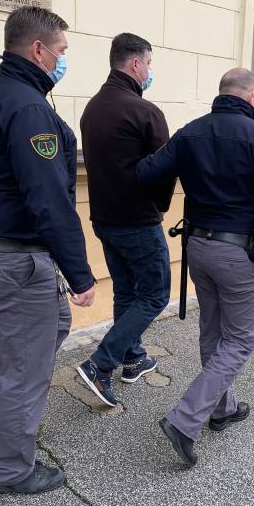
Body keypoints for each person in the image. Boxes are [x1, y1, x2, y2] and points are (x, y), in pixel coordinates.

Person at [136, 68, 254, 467]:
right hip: (237, 251)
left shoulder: (191, 132)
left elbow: (147, 173)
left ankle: (222, 408)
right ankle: (185, 420)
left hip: (198, 246)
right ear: (251, 97)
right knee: (240, 339)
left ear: (222, 94)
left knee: (213, 330)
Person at [0, 6, 96, 494]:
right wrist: (79, 274)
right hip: (17, 257)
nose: (64, 59)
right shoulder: (29, 109)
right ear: (38, 49)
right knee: (25, 369)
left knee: (52, 326)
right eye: (61, 50)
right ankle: (9, 470)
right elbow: (49, 200)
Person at [76, 33, 175, 407]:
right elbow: (165, 168)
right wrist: (160, 207)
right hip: (137, 221)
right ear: (135, 63)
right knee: (155, 294)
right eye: (148, 63)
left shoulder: (92, 109)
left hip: (105, 219)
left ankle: (133, 358)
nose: (149, 70)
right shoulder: (144, 111)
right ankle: (100, 364)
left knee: (128, 292)